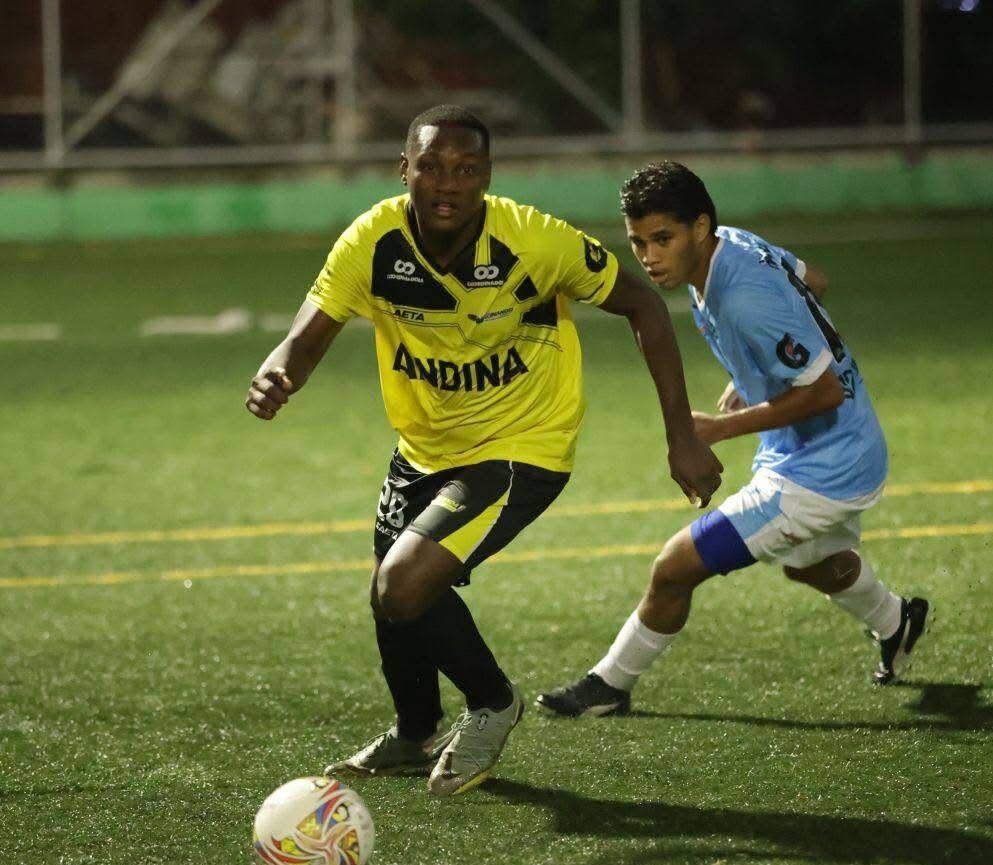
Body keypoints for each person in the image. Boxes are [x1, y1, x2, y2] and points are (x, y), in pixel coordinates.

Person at [245, 110, 722, 794]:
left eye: (466, 170)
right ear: (403, 169)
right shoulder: (373, 241)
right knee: (391, 598)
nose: (448, 184)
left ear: (487, 177)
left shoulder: (532, 240)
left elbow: (642, 305)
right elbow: (310, 329)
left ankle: (492, 701)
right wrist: (279, 370)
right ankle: (414, 733)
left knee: (403, 585)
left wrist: (680, 433)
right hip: (425, 445)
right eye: (432, 166)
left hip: (521, 445)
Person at [537, 161, 929, 719]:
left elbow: (822, 394)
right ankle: (896, 621)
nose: (649, 257)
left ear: (700, 228)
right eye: (639, 242)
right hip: (821, 448)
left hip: (824, 467)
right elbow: (812, 280)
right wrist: (759, 368)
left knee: (674, 568)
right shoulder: (735, 245)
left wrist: (720, 428)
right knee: (808, 562)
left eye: (663, 239)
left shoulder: (742, 295)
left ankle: (610, 683)